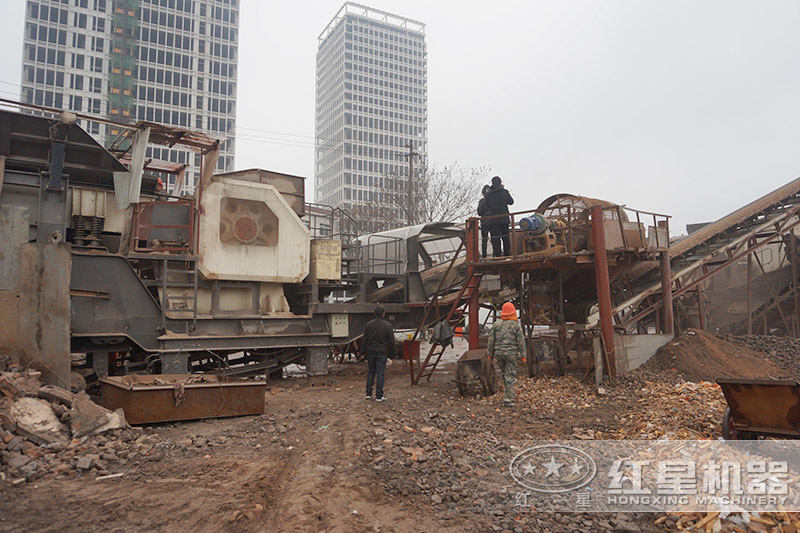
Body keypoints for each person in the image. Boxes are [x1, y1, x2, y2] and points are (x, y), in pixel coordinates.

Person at [487, 302, 527, 407]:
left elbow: (491, 341)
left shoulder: (496, 325)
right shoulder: (515, 326)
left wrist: (489, 354)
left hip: (499, 354)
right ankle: (508, 399)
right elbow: (521, 341)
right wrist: (523, 355)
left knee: (504, 374)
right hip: (511, 354)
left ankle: (509, 394)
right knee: (510, 375)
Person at [363, 305, 397, 401]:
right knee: (380, 374)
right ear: (383, 314)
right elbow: (391, 341)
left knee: (371, 372)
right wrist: (392, 354)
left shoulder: (368, 325)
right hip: (382, 353)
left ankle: (368, 394)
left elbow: (364, 340)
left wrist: (363, 352)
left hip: (371, 352)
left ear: (374, 314)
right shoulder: (387, 326)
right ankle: (379, 395)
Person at [484, 176, 515, 257]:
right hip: (504, 218)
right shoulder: (504, 192)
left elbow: (487, 206)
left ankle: (497, 256)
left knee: (495, 238)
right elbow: (511, 202)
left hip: (493, 220)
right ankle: (507, 255)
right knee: (505, 237)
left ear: (492, 183)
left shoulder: (488, 195)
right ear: (500, 182)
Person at [476, 184, 491, 258]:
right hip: (493, 222)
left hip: (484, 222)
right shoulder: (493, 200)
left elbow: (479, 212)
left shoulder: (482, 201)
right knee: (495, 238)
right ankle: (496, 255)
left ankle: (484, 256)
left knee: (484, 240)